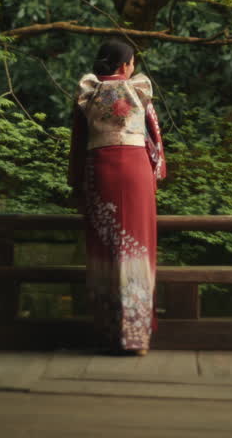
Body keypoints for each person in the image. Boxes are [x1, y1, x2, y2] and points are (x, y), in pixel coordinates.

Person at [68, 39, 166, 356]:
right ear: (125, 65)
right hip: (136, 174)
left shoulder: (88, 93)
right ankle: (136, 337)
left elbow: (78, 143)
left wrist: (76, 182)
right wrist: (157, 172)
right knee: (137, 247)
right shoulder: (139, 91)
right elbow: (155, 136)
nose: (133, 67)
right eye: (132, 61)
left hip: (100, 173)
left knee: (105, 247)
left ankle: (108, 332)